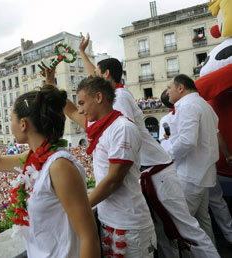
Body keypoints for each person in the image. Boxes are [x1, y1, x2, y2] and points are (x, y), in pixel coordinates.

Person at [77, 33, 220, 258]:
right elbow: (91, 89)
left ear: (104, 79)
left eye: (96, 73)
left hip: (159, 171)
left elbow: (121, 140)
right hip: (158, 171)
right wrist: (83, 54)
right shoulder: (116, 95)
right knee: (187, 228)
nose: (82, 107)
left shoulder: (119, 100)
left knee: (187, 230)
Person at [0, 84, 100, 258]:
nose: (9, 124)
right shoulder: (35, 158)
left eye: (10, 119)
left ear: (22, 124)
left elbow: (89, 237)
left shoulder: (60, 167)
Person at [58, 75, 156, 258]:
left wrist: (79, 209)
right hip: (108, 220)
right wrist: (51, 83)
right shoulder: (101, 126)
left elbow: (113, 181)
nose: (80, 110)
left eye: (82, 103)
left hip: (130, 226)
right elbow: (70, 111)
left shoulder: (122, 128)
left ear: (99, 97)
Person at [167, 74, 219, 244]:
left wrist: (165, 152)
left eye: (169, 88)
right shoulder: (204, 105)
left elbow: (187, 141)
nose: (168, 92)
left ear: (180, 88)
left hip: (191, 176)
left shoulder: (188, 105)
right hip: (204, 174)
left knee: (183, 226)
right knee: (203, 222)